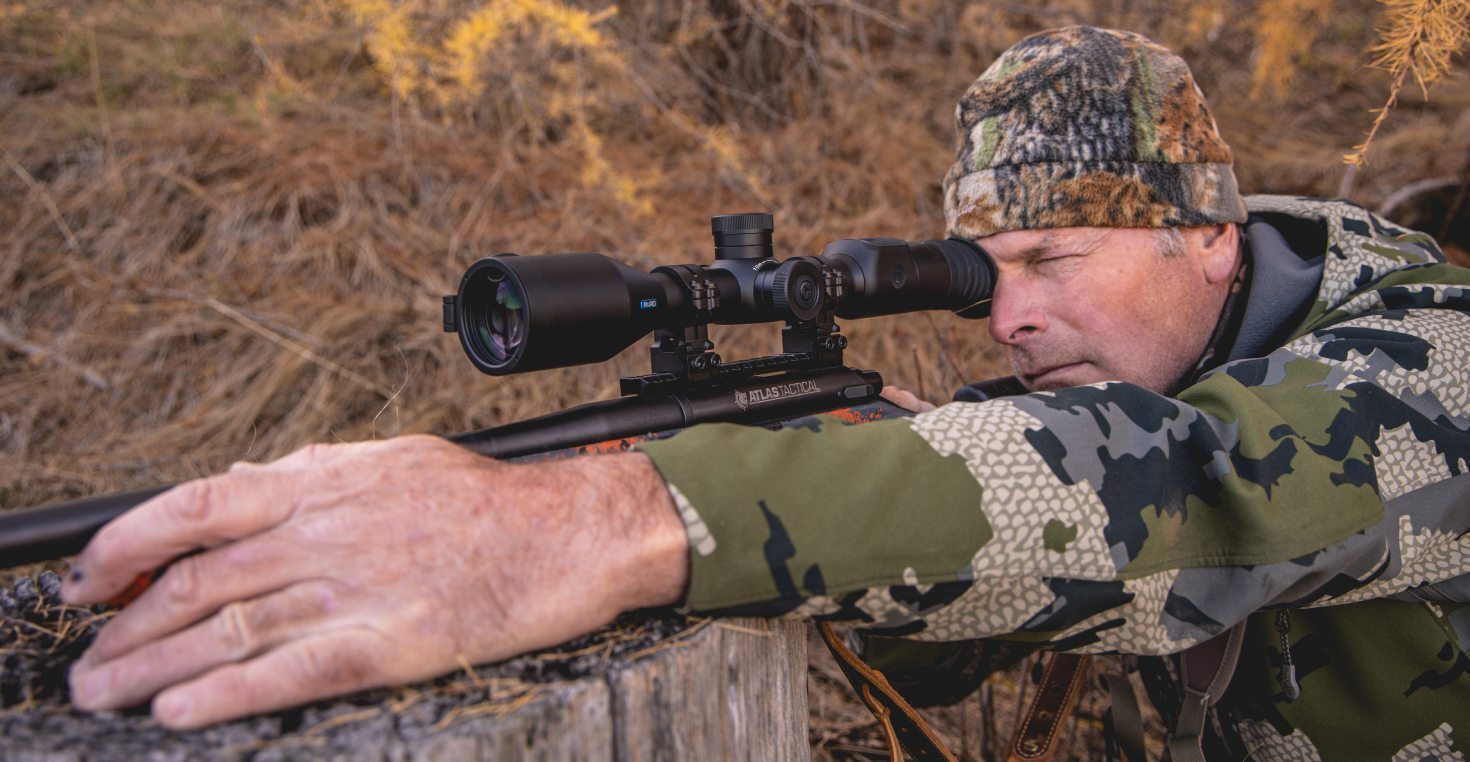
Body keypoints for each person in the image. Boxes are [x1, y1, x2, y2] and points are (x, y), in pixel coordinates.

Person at [58, 26, 1470, 759]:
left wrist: (603, 518)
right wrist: (842, 465)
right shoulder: (1144, 346)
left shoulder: (1432, 354)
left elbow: (1196, 497)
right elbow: (960, 623)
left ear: (1207, 233)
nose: (1010, 310)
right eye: (977, 268)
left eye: (1052, 255)